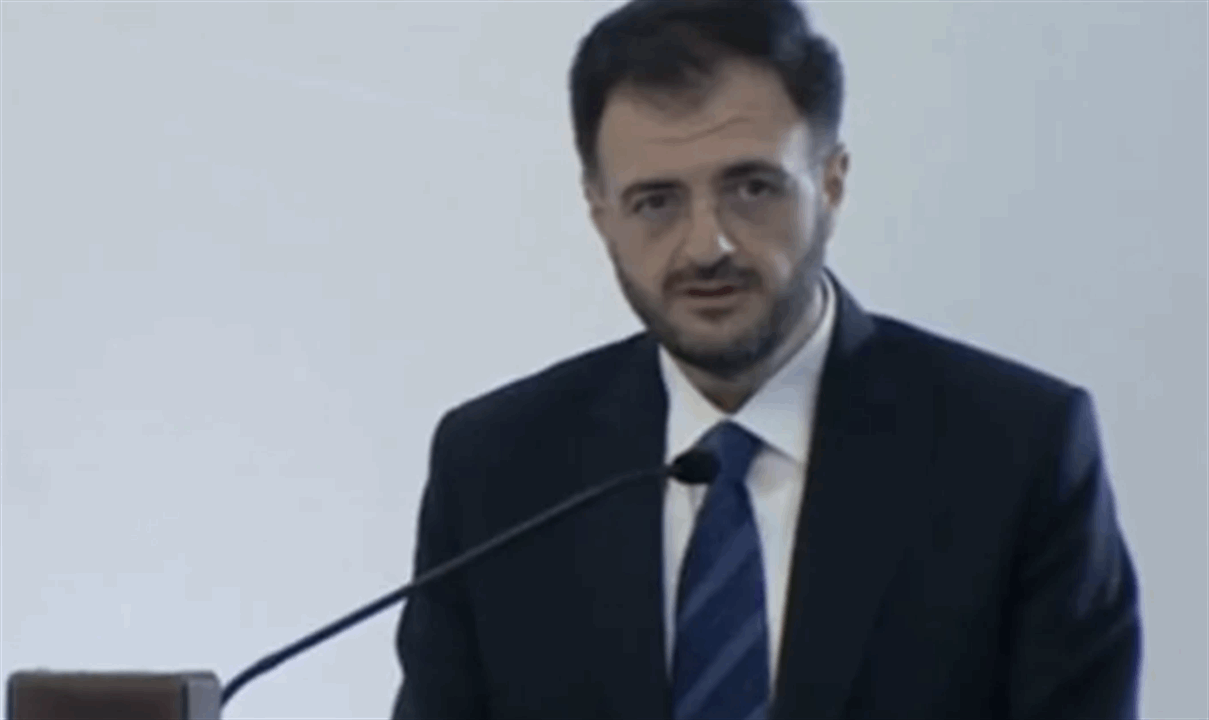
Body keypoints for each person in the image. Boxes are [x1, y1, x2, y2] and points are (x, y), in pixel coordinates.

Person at [391, 1, 1142, 718]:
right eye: (656, 202)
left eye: (751, 188)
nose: (706, 246)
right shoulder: (499, 470)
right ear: (599, 211)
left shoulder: (1015, 452)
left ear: (831, 183)